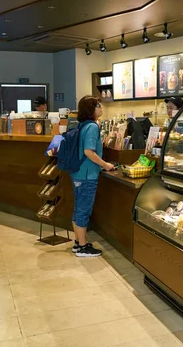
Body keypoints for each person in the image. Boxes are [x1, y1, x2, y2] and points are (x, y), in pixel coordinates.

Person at [70, 95, 115, 257]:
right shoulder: (92, 127)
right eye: (98, 106)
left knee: (78, 208)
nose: (101, 109)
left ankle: (78, 242)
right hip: (87, 175)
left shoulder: (82, 125)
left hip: (78, 173)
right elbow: (88, 151)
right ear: (92, 110)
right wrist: (105, 164)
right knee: (84, 209)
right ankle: (82, 247)